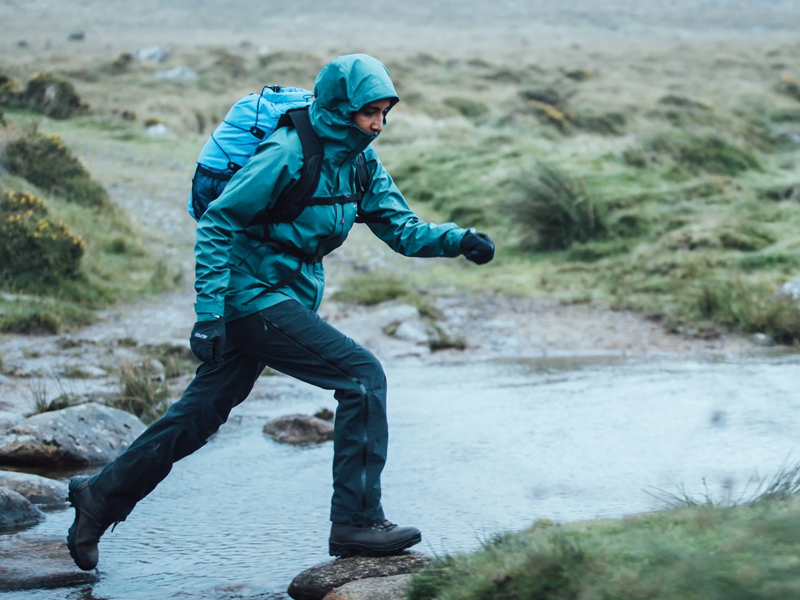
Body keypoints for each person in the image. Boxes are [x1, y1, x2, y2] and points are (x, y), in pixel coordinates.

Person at [66, 54, 495, 571]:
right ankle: (357, 520)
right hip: (249, 295)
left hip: (284, 296)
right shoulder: (288, 151)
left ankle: (98, 498)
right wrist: (208, 315)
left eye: (385, 113)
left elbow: (400, 228)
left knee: (198, 416)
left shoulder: (359, 162)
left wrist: (459, 239)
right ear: (341, 108)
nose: (379, 124)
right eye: (370, 113)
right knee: (361, 376)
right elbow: (218, 224)